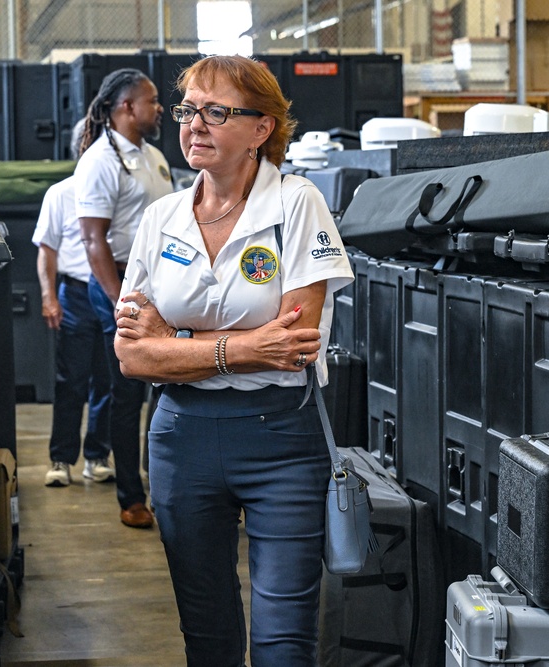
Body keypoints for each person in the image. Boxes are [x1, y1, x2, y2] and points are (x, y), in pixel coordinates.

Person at [112, 55, 354, 666]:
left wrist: (175, 338)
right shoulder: (161, 217)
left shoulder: (298, 206)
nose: (195, 124)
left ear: (262, 127)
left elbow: (293, 347)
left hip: (282, 441)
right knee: (208, 634)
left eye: (216, 112)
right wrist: (242, 346)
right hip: (181, 438)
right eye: (189, 110)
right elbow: (131, 356)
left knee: (281, 639)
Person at [75, 68, 174, 528]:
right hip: (117, 284)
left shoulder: (153, 156)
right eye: (151, 101)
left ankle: (167, 484)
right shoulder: (99, 161)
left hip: (158, 284)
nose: (159, 109)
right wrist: (120, 302)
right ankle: (130, 496)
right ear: (126, 108)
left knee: (169, 381)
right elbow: (94, 240)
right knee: (127, 390)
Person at [33, 122, 115, 487]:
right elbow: (46, 250)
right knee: (71, 381)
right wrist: (49, 297)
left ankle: (96, 457)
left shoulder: (120, 193)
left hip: (112, 293)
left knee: (109, 380)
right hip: (76, 295)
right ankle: (61, 460)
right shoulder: (61, 193)